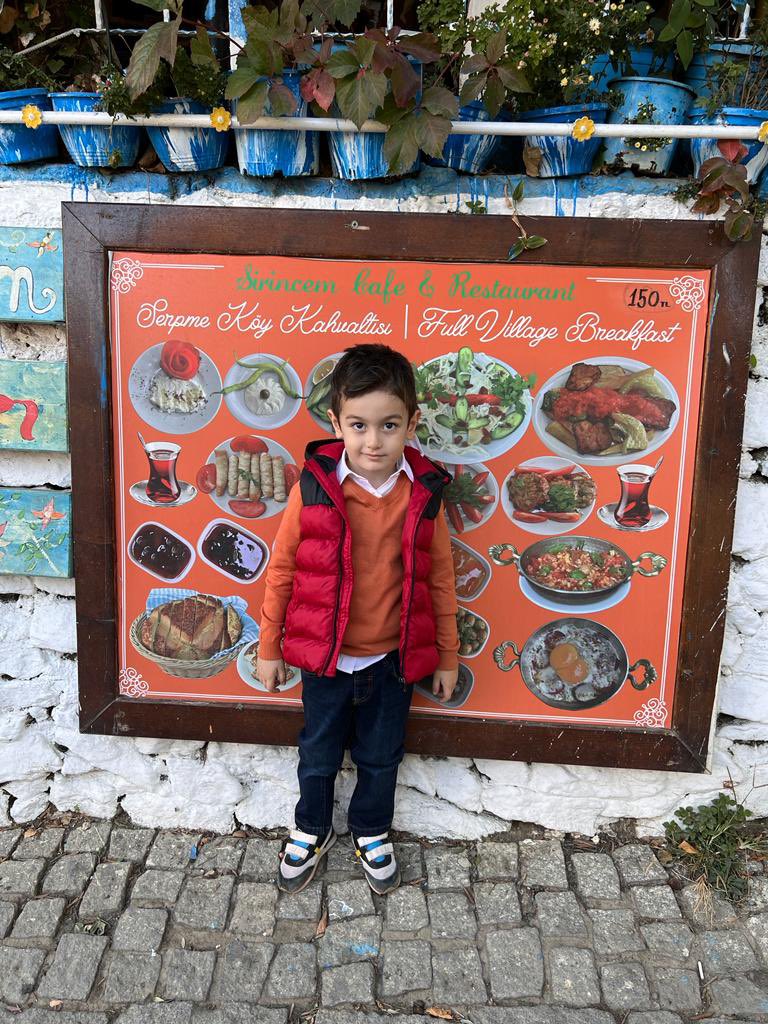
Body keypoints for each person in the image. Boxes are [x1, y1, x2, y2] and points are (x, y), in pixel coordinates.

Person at [256, 343, 459, 895]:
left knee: (381, 755)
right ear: (336, 423)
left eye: (389, 425)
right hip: (324, 660)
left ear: (411, 424)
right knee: (317, 753)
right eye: (359, 425)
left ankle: (371, 829)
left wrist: (446, 655)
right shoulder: (313, 488)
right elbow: (282, 568)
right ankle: (312, 826)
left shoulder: (423, 495)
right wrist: (269, 646)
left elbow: (441, 578)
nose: (373, 441)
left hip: (392, 661)